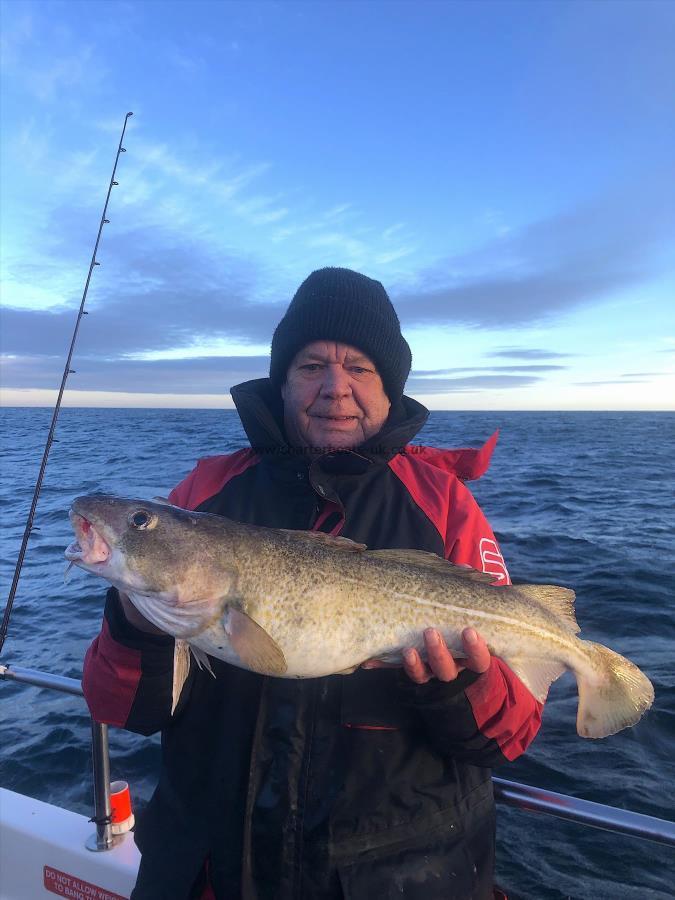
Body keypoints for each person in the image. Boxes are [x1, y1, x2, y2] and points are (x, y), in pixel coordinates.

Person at [82, 267, 542, 900]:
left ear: (389, 389)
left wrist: (462, 685)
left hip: (400, 880)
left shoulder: (444, 508)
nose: (335, 388)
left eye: (360, 368)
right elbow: (123, 710)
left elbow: (510, 735)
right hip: (209, 872)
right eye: (310, 366)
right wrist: (137, 624)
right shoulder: (203, 497)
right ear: (281, 380)